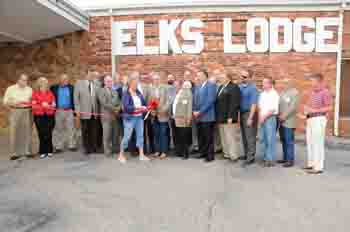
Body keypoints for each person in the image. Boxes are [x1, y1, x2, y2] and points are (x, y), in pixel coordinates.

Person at [299, 73, 332, 174]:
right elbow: (310, 106)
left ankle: (318, 167)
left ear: (319, 81)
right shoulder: (312, 92)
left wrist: (313, 110)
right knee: (310, 142)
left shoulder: (325, 92)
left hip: (319, 119)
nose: (311, 83)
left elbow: (329, 107)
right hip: (310, 119)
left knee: (318, 143)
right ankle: (311, 164)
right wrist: (305, 113)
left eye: (312, 81)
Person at [118, 72, 150, 163]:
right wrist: (137, 108)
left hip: (139, 118)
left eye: (137, 83)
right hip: (130, 118)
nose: (136, 85)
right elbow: (126, 107)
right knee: (127, 137)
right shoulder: (126, 94)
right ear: (130, 83)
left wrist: (145, 107)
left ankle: (141, 154)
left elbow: (143, 102)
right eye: (135, 83)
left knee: (140, 136)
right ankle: (121, 155)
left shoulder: (138, 92)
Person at [3, 74, 33, 160]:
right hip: (15, 110)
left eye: (26, 80)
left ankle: (27, 151)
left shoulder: (29, 89)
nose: (24, 82)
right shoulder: (11, 89)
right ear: (18, 80)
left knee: (27, 131)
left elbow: (32, 100)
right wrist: (13, 103)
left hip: (27, 111)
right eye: (23, 80)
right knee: (14, 131)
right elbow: (5, 101)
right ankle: (14, 153)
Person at [215, 70, 241, 161]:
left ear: (228, 78)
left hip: (228, 117)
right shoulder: (221, 87)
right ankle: (226, 153)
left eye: (222, 77)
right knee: (223, 137)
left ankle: (233, 156)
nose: (221, 78)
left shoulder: (233, 87)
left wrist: (231, 116)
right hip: (220, 117)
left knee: (230, 137)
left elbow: (234, 103)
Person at [74, 70, 100, 155]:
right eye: (90, 74)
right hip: (84, 112)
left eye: (92, 75)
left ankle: (94, 147)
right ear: (85, 75)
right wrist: (77, 112)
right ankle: (86, 148)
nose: (91, 76)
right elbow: (76, 99)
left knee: (94, 131)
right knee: (85, 131)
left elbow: (97, 99)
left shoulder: (96, 85)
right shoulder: (79, 84)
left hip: (94, 112)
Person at [193, 69, 217, 162]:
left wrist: (200, 111)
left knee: (208, 137)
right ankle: (202, 153)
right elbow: (195, 101)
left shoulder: (210, 85)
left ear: (205, 76)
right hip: (198, 116)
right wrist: (194, 111)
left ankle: (209, 156)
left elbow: (210, 100)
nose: (198, 77)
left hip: (207, 116)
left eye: (200, 75)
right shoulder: (197, 86)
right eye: (197, 75)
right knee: (201, 136)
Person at [50, 74, 76, 153]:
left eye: (67, 79)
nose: (66, 81)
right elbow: (50, 97)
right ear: (60, 80)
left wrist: (74, 110)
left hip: (69, 111)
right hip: (58, 111)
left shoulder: (72, 88)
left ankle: (72, 145)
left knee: (71, 128)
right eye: (64, 79)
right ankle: (59, 146)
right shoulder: (54, 88)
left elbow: (74, 99)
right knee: (59, 129)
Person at [277, 78, 300, 168]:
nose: (284, 84)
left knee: (289, 140)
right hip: (281, 120)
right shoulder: (283, 93)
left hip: (289, 121)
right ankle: (285, 158)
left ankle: (290, 160)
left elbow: (293, 107)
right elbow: (279, 105)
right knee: (283, 140)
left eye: (286, 82)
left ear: (291, 83)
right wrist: (279, 115)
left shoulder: (295, 93)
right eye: (284, 82)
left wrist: (284, 116)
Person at [31, 77, 56, 159]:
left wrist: (51, 105)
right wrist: (42, 105)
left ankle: (49, 150)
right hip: (39, 116)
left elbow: (54, 104)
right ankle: (42, 151)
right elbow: (33, 105)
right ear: (39, 84)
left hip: (49, 115)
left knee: (48, 133)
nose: (44, 84)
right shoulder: (35, 93)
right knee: (41, 133)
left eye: (45, 83)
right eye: (42, 83)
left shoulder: (50, 93)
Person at [97, 75, 121, 157]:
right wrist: (115, 108)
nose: (109, 83)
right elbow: (104, 103)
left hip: (115, 116)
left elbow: (119, 102)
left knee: (115, 133)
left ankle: (115, 149)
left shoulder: (115, 91)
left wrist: (118, 108)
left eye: (110, 81)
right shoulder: (101, 91)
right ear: (104, 82)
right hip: (106, 116)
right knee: (106, 134)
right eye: (108, 81)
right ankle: (107, 151)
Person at [258, 77, 280, 167]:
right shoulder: (262, 94)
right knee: (262, 138)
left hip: (270, 118)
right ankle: (264, 157)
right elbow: (259, 106)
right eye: (262, 82)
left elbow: (273, 109)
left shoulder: (274, 94)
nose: (262, 84)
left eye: (264, 83)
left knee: (270, 139)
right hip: (262, 118)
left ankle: (270, 159)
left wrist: (264, 117)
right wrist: (260, 117)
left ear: (270, 84)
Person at [239, 69, 258, 166]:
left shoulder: (253, 88)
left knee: (250, 136)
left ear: (250, 78)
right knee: (244, 136)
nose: (242, 78)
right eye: (241, 76)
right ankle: (246, 154)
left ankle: (251, 157)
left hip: (250, 113)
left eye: (245, 77)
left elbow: (254, 104)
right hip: (242, 113)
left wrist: (250, 118)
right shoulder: (241, 87)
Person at [149, 72, 171, 159]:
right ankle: (157, 151)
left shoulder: (165, 88)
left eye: (157, 79)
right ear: (153, 81)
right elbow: (149, 102)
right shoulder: (151, 89)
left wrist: (164, 110)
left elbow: (169, 101)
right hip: (154, 115)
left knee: (163, 134)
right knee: (156, 134)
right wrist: (151, 110)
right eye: (154, 79)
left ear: (160, 80)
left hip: (163, 115)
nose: (156, 81)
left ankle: (164, 152)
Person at [172, 81, 193, 159]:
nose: (186, 86)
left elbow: (189, 106)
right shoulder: (179, 92)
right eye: (184, 85)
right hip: (177, 117)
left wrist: (188, 117)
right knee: (180, 136)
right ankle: (181, 152)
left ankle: (185, 153)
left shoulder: (188, 92)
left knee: (184, 136)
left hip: (183, 118)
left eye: (187, 85)